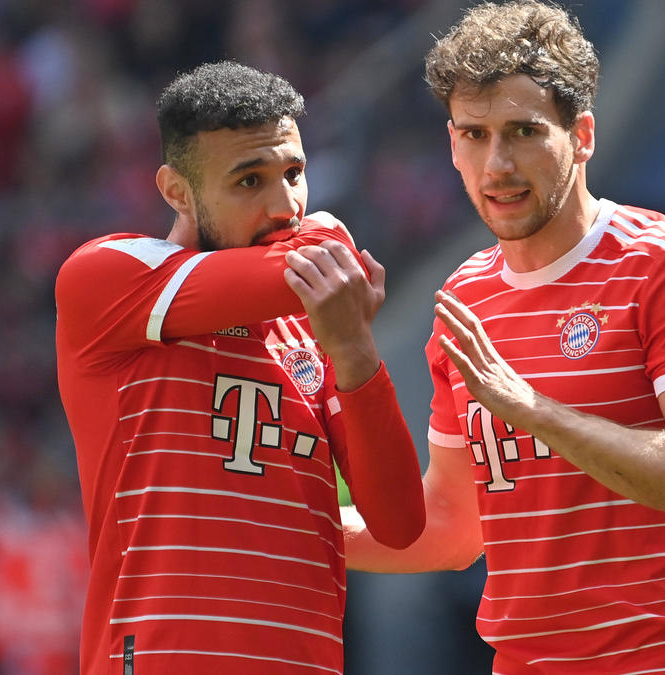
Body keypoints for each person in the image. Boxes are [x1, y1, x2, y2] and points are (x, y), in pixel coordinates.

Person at [341, 2, 665, 673]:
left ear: (583, 134)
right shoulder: (465, 295)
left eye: (523, 131)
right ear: (451, 143)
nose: (497, 164)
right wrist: (287, 521)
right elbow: (452, 524)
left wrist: (536, 412)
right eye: (474, 134)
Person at [55, 61, 425, 675]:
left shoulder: (312, 328)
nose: (285, 206)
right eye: (250, 181)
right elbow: (327, 248)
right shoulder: (110, 277)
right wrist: (330, 238)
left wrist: (355, 352)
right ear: (176, 191)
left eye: (295, 173)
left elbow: (399, 523)